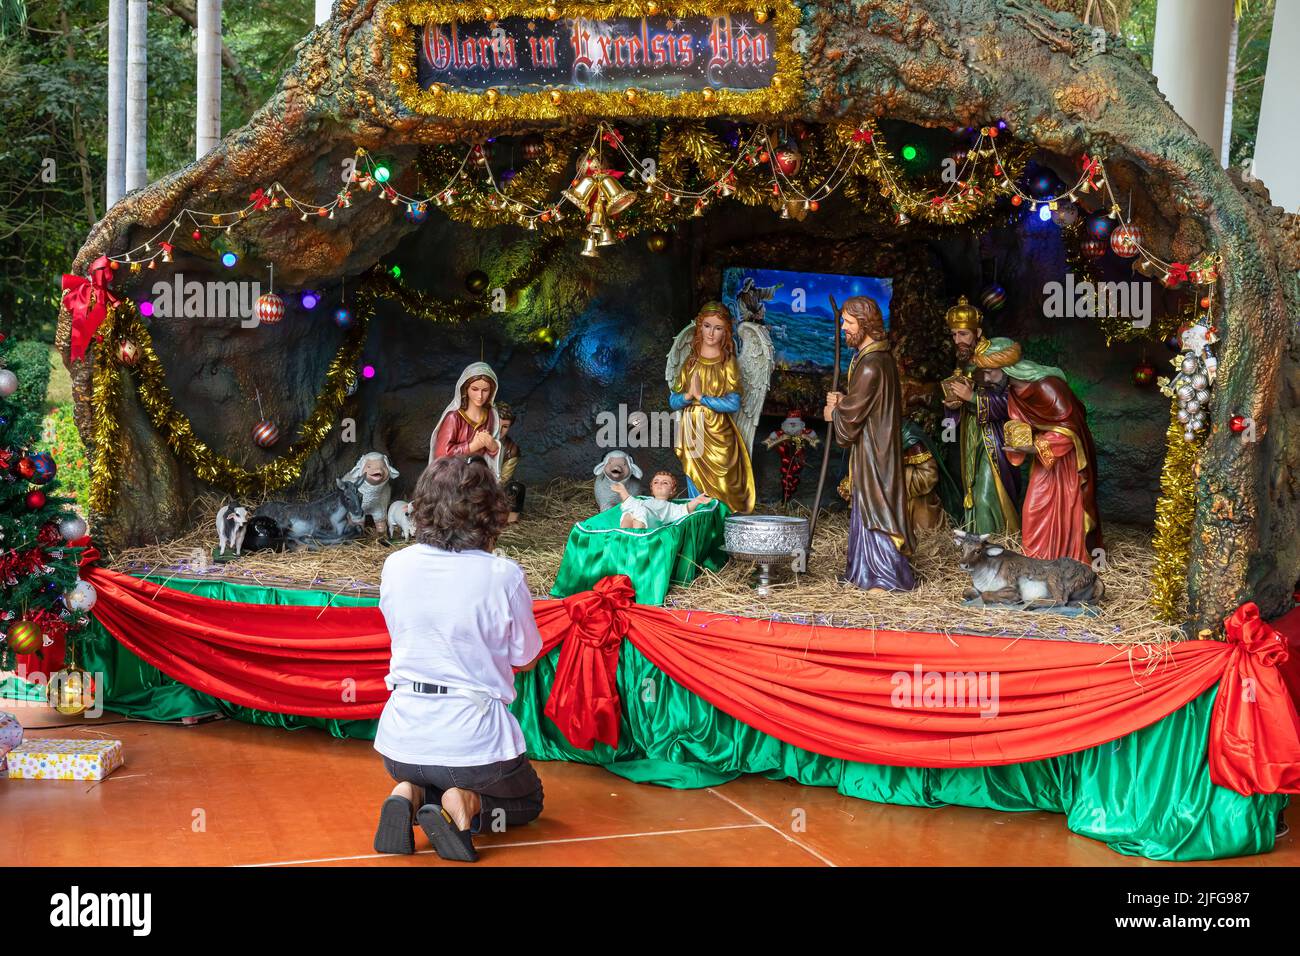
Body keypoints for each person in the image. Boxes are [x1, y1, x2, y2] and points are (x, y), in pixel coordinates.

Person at [372, 456, 545, 863]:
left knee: (428, 772)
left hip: (400, 748)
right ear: (491, 512)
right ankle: (463, 803)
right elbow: (526, 657)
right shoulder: (504, 574)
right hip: (472, 748)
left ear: (422, 507)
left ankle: (408, 794)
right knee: (529, 801)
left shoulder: (395, 565)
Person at [824, 296, 915, 592]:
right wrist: (845, 401)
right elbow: (863, 402)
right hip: (876, 447)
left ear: (864, 324)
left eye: (848, 324)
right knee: (868, 505)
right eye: (843, 323)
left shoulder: (870, 365)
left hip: (876, 452)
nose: (843, 329)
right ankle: (864, 572)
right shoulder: (878, 358)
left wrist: (834, 412)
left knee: (877, 507)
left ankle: (885, 577)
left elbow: (850, 423)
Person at [668, 302, 756, 514]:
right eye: (707, 326)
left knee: (724, 481)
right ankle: (699, 521)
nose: (711, 333)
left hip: (719, 431)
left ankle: (722, 522)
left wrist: (702, 397)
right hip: (692, 429)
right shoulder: (690, 362)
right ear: (699, 327)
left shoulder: (728, 363)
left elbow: (733, 403)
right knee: (695, 478)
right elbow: (673, 402)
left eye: (718, 328)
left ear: (725, 331)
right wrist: (688, 396)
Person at [430, 362, 501, 475]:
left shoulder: (491, 415)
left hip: (479, 474)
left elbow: (491, 452)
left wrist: (493, 446)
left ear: (492, 391)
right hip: (455, 476)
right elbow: (441, 454)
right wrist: (471, 446)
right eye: (475, 389)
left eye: (485, 390)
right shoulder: (454, 418)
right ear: (465, 389)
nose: (480, 396)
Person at [613, 471, 711, 529]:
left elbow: (684, 509)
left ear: (672, 491)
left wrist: (696, 501)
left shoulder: (670, 506)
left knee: (641, 510)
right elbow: (632, 504)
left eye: (665, 483)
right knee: (627, 513)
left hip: (652, 526)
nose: (659, 484)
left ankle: (637, 539)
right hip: (638, 516)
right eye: (656, 482)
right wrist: (623, 491)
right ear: (651, 488)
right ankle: (623, 536)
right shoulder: (645, 501)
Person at [497, 403, 524, 524]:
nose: (500, 430)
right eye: (497, 424)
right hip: (476, 485)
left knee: (516, 488)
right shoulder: (479, 439)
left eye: (505, 426)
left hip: (495, 487)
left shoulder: (511, 449)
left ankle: (510, 519)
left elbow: (504, 478)